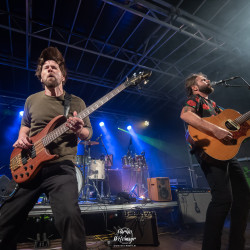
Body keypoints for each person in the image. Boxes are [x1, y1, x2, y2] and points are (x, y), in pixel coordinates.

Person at [0, 47, 93, 250]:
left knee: (69, 215)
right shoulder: (31, 100)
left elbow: (88, 133)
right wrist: (22, 138)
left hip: (61, 168)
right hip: (30, 167)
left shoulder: (77, 102)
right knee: (5, 219)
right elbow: (25, 125)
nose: (50, 69)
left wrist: (79, 130)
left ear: (63, 75)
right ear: (41, 76)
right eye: (45, 68)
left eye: (54, 67)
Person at [180, 73, 250, 250]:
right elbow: (187, 116)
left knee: (243, 196)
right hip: (210, 151)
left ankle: (237, 245)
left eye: (207, 78)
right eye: (203, 79)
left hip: (226, 152)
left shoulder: (216, 107)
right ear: (195, 87)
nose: (208, 80)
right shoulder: (195, 100)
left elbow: (233, 126)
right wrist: (216, 131)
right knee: (222, 199)